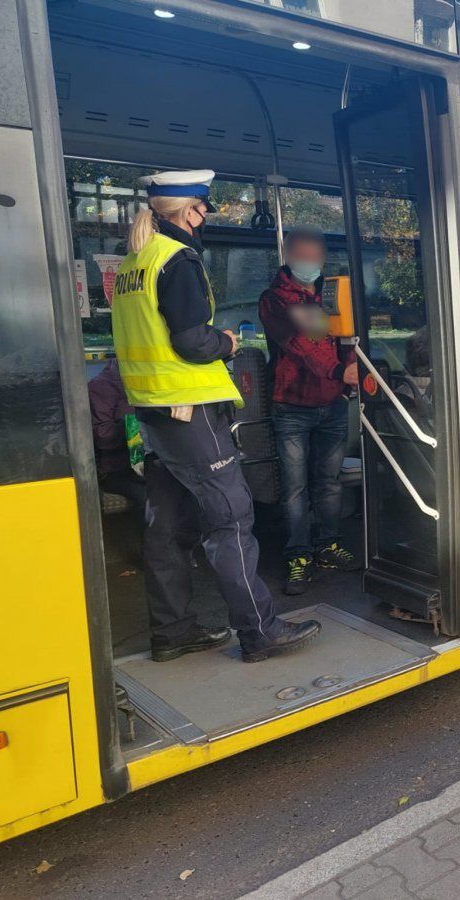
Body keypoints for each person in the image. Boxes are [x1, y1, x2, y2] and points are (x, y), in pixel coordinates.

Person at [112, 169, 320, 663]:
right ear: (189, 210)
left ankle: (173, 632)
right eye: (205, 209)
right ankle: (260, 631)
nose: (206, 218)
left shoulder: (132, 264)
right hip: (191, 411)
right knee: (230, 520)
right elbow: (190, 340)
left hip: (153, 412)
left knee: (166, 528)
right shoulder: (178, 259)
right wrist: (224, 342)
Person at [258, 227, 360, 595]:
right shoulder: (276, 300)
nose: (310, 262)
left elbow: (345, 337)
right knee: (295, 487)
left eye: (316, 256)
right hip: (293, 406)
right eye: (302, 255)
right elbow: (304, 344)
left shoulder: (332, 293)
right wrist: (339, 370)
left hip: (332, 402)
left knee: (329, 482)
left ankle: (327, 544)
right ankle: (298, 555)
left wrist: (349, 374)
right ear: (287, 255)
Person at [88, 358, 145, 515]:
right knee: (152, 499)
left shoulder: (148, 380)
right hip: (116, 468)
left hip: (148, 462)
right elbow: (102, 434)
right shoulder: (101, 386)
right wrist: (134, 429)